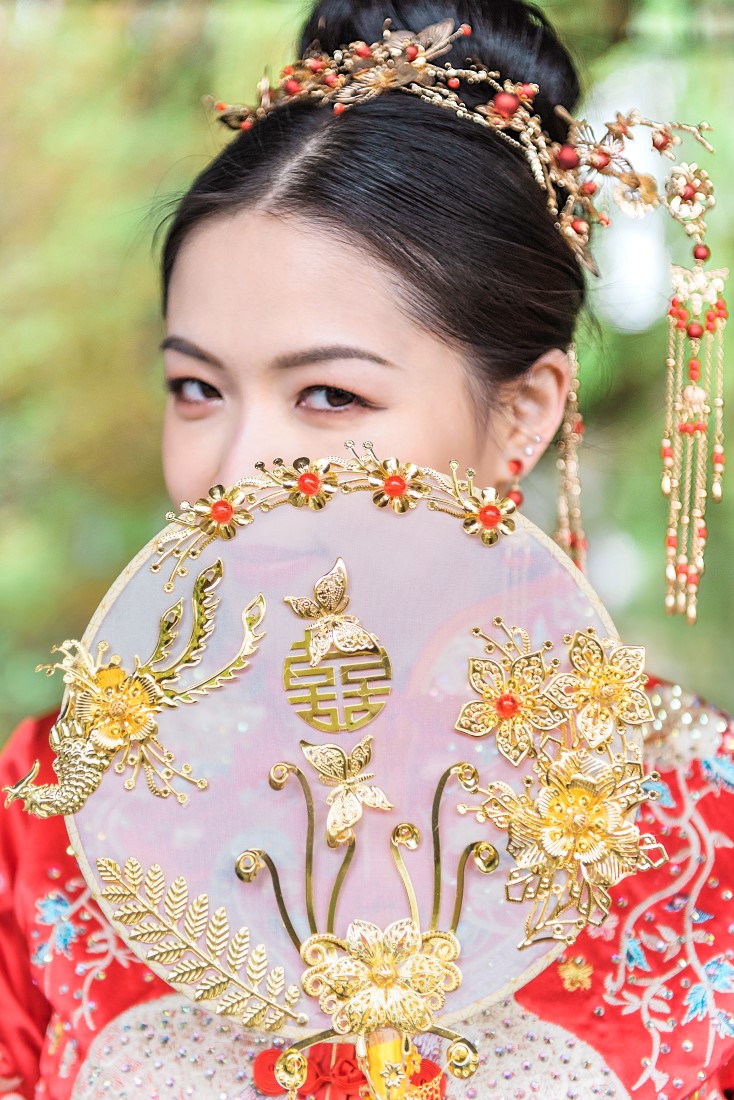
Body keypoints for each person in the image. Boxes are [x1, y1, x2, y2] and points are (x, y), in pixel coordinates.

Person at [1, 0, 732, 1097]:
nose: (238, 467)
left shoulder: (703, 832)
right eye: (195, 388)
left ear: (522, 410)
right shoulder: (53, 806)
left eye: (329, 394)